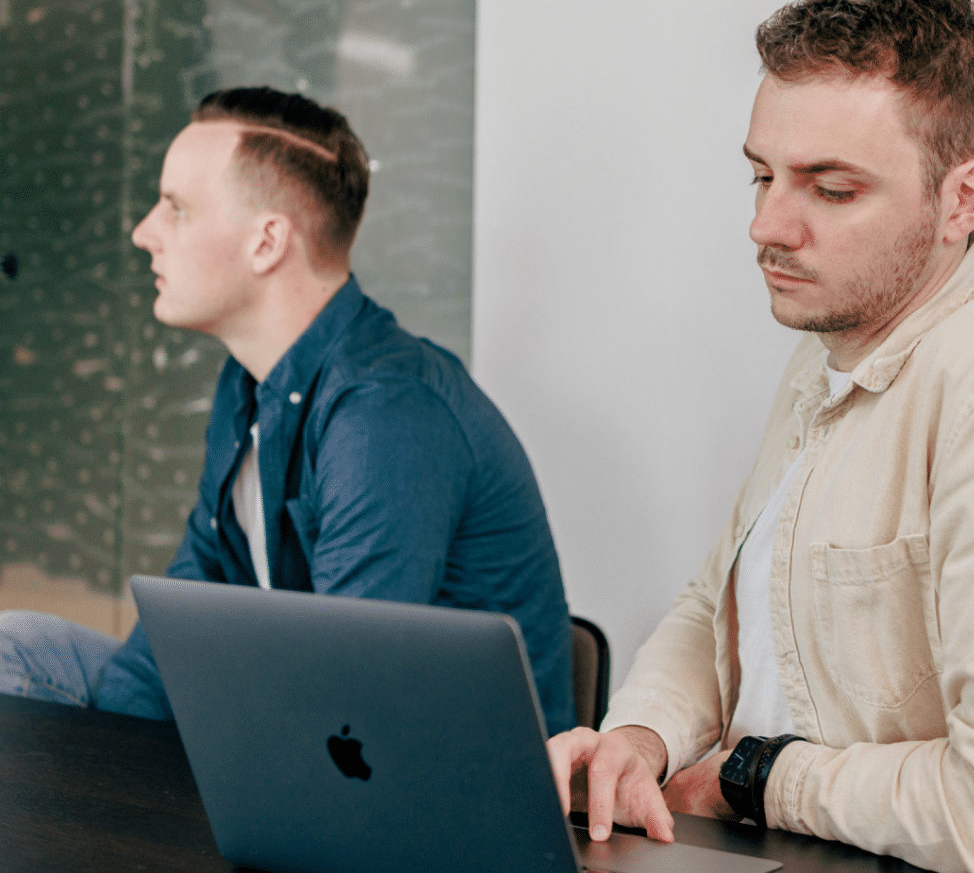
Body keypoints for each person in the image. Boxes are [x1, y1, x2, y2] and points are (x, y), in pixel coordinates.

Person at [548, 0, 974, 873]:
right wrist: (640, 736)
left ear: (965, 198)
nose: (767, 225)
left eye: (830, 190)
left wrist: (756, 779)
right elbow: (721, 604)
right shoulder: (834, 335)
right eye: (761, 176)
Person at [0, 87, 575, 734]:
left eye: (177, 209)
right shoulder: (244, 386)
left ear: (268, 242)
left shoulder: (387, 414)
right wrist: (115, 767)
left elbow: (345, 691)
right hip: (305, 717)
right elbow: (186, 613)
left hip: (425, 778)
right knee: (12, 649)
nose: (144, 233)